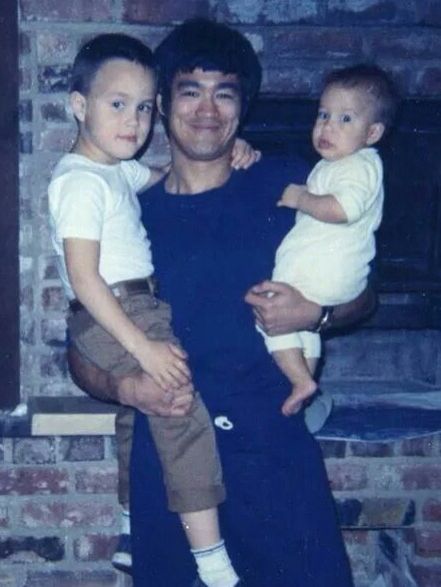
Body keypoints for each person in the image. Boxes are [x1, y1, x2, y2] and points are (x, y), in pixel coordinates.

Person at [68, 18, 375, 587]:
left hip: (272, 457)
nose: (207, 110)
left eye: (224, 93)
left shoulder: (292, 187)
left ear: (243, 107)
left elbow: (364, 291)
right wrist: (124, 389)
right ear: (161, 103)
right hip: (172, 470)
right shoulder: (127, 212)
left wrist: (318, 315)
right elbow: (82, 345)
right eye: (191, 91)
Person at [48, 32, 260, 586]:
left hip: (124, 305)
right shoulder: (78, 183)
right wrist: (142, 345)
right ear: (78, 106)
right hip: (120, 308)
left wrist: (237, 151)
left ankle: (129, 528)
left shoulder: (111, 170)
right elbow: (82, 277)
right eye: (117, 104)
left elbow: (174, 177)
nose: (134, 122)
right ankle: (213, 562)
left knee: (134, 420)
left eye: (144, 108)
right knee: (178, 411)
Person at [257, 64, 398, 418]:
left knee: (270, 313)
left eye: (345, 119)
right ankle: (303, 382)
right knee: (303, 329)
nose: (328, 126)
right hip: (327, 279)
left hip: (327, 274)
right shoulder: (337, 164)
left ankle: (300, 380)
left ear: (373, 133)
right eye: (323, 114)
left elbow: (343, 209)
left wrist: (300, 198)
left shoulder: (360, 166)